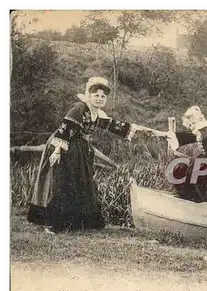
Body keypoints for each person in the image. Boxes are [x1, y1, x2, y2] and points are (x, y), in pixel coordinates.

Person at [27, 77, 159, 233]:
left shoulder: (98, 114)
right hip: (63, 146)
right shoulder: (80, 108)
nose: (100, 98)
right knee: (61, 183)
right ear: (89, 95)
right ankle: (51, 223)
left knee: (80, 183)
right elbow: (65, 129)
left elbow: (119, 127)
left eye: (103, 96)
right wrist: (57, 151)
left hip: (79, 149)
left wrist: (151, 131)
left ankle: (74, 223)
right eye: (96, 95)